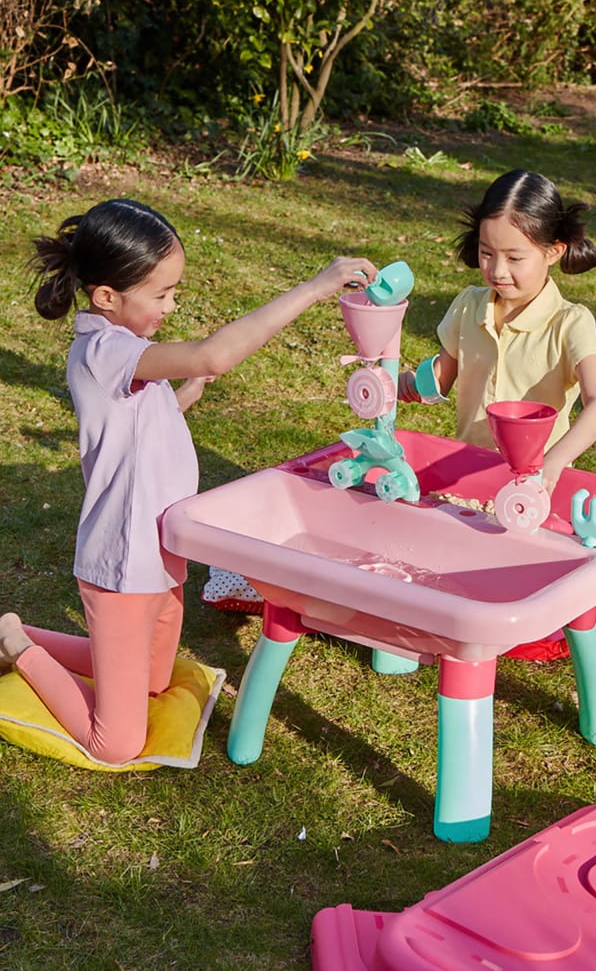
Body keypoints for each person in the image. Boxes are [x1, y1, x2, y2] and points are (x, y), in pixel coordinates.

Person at [0, 198, 377, 764]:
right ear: (107, 297)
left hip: (160, 558)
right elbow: (211, 356)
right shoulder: (106, 349)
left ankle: (13, 629)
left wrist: (175, 403)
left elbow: (129, 431)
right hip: (124, 568)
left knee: (153, 681)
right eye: (162, 294)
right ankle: (18, 647)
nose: (171, 305)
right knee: (117, 744)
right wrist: (314, 288)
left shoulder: (124, 350)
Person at [399, 168, 596, 495]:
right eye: (487, 253)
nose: (497, 270)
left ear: (553, 252)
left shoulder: (570, 324)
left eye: (514, 258)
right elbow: (440, 379)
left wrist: (553, 463)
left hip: (535, 490)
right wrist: (408, 384)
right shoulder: (468, 306)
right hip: (467, 479)